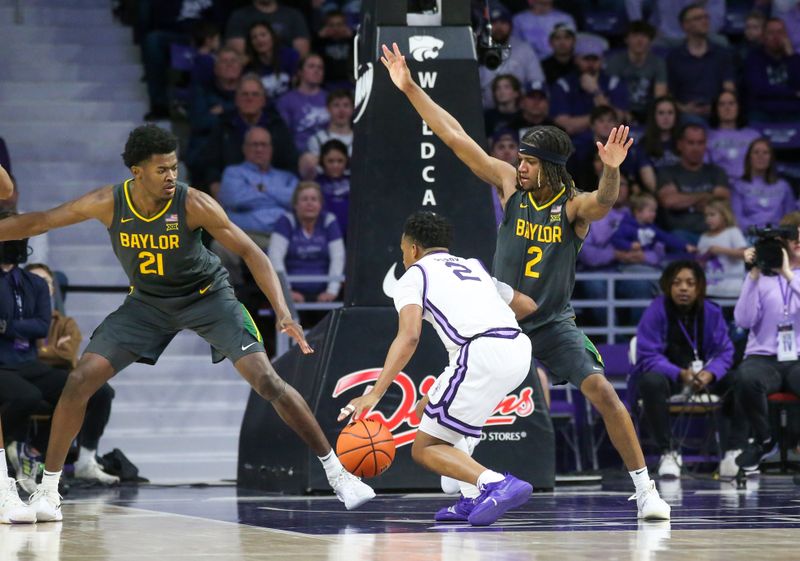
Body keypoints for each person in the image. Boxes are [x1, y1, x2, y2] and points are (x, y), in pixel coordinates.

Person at [0, 125, 374, 522]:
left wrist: (281, 310)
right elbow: (40, 221)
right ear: (136, 172)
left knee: (268, 381)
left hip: (207, 298)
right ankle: (48, 491)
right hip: (146, 304)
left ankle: (338, 473)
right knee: (80, 380)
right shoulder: (107, 202)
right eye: (161, 169)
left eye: (174, 168)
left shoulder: (193, 203)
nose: (171, 177)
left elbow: (251, 252)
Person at [380, 42, 670, 519]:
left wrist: (613, 171)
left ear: (550, 167)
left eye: (529, 161)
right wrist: (410, 87)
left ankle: (645, 491)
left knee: (602, 392)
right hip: (498, 323)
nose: (520, 165)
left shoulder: (572, 206)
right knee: (448, 443)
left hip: (551, 322)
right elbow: (455, 137)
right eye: (520, 158)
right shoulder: (510, 187)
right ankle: (475, 488)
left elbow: (604, 202)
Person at [339, 211, 537, 526]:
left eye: (403, 250)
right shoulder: (474, 267)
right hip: (516, 349)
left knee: (426, 448)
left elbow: (409, 335)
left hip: (478, 352)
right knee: (425, 410)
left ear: (414, 249)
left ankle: (495, 483)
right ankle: (471, 497)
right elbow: (527, 305)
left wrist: (374, 393)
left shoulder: (414, 275)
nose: (404, 257)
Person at [0, 230, 118, 494]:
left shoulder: (36, 284)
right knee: (28, 397)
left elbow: (42, 326)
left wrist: (6, 326)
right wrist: (21, 327)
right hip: (3, 365)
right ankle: (17, 452)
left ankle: (84, 458)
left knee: (97, 390)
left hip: (28, 363)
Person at [633, 260, 739, 478]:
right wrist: (680, 374)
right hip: (670, 379)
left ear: (699, 287)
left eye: (690, 283)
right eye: (677, 283)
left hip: (704, 379)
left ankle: (733, 452)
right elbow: (647, 355)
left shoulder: (711, 312)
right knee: (649, 382)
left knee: (742, 380)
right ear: (668, 286)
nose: (683, 288)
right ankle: (668, 451)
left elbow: (725, 351)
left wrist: (710, 373)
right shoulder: (655, 311)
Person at [733, 212, 800, 471]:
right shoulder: (760, 277)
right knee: (746, 377)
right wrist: (752, 276)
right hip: (762, 358)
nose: (798, 239)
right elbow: (744, 320)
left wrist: (787, 273)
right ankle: (764, 440)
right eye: (793, 233)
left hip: (797, 358)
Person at [267, 181, 344, 305]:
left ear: (320, 204)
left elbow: (338, 257)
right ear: (295, 204)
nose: (309, 203)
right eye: (304, 199)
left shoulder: (329, 221)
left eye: (314, 199)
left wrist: (332, 290)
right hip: (291, 290)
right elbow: (275, 257)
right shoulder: (286, 221)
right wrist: (287, 291)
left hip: (324, 291)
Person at [655, 124, 730, 245]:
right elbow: (670, 201)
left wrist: (684, 198)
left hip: (714, 235)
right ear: (680, 145)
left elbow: (723, 199)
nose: (696, 148)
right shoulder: (667, 172)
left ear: (705, 145)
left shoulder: (717, 172)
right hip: (681, 236)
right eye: (691, 143)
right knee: (676, 237)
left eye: (700, 143)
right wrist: (705, 196)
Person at [605, 20, 668, 124]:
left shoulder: (658, 63)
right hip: (619, 110)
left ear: (650, 40)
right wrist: (621, 113)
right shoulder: (615, 61)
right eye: (635, 36)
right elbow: (609, 93)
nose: (639, 40)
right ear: (626, 39)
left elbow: (660, 96)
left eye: (644, 36)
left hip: (647, 112)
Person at [731, 138, 796, 232]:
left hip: (778, 237)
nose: (760, 156)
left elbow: (791, 218)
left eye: (765, 152)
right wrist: (758, 232)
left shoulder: (783, 186)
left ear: (771, 158)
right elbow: (737, 219)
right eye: (756, 152)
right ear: (749, 157)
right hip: (749, 238)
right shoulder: (738, 186)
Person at [696, 199, 747, 299]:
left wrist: (721, 250)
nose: (708, 219)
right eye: (706, 216)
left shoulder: (733, 232)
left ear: (724, 215)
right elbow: (699, 265)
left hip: (732, 291)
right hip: (708, 291)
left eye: (712, 215)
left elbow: (745, 254)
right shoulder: (703, 237)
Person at [706, 91, 760, 184]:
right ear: (716, 109)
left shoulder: (754, 136)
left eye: (731, 103)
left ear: (738, 107)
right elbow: (703, 168)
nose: (727, 108)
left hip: (749, 186)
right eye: (722, 104)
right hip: (719, 186)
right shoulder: (707, 136)